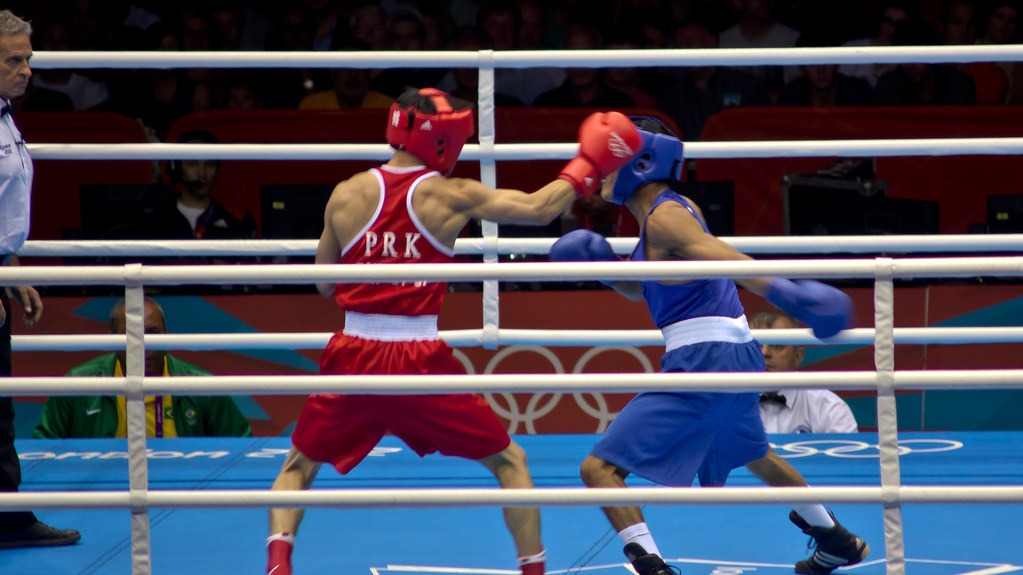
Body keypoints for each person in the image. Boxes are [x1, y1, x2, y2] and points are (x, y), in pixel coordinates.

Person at [264, 87, 641, 575]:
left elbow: (321, 284)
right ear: (442, 138)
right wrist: (588, 163)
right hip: (418, 361)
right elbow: (538, 209)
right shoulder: (450, 193)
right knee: (510, 463)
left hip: (353, 355)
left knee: (297, 467)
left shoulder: (346, 193)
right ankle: (534, 572)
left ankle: (277, 566)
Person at [548, 117, 868, 575]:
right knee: (754, 453)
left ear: (639, 162)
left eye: (607, 160)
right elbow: (647, 287)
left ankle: (652, 568)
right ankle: (835, 539)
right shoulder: (661, 217)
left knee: (599, 469)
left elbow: (720, 253)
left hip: (702, 360)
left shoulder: (665, 216)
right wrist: (605, 266)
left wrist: (789, 292)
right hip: (736, 357)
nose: (599, 171)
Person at [0, 9, 82, 549]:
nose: (27, 69)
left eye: (29, 58)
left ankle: (8, 516)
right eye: (13, 59)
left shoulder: (5, 115)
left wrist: (9, 273)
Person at [33, 297, 252, 439]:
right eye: (131, 336)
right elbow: (42, 449)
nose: (142, 346)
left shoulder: (200, 386)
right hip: (99, 493)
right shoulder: (79, 384)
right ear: (112, 340)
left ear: (166, 335)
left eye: (153, 333)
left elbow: (241, 445)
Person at [750, 310, 859, 434]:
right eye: (755, 345)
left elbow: (846, 452)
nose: (764, 353)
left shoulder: (829, 409)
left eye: (777, 344)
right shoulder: (726, 405)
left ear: (798, 355)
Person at [164, 129, 255, 242]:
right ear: (177, 168)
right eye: (192, 164)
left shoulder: (238, 220)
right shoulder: (155, 217)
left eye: (210, 164)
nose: (202, 173)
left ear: (217, 169)